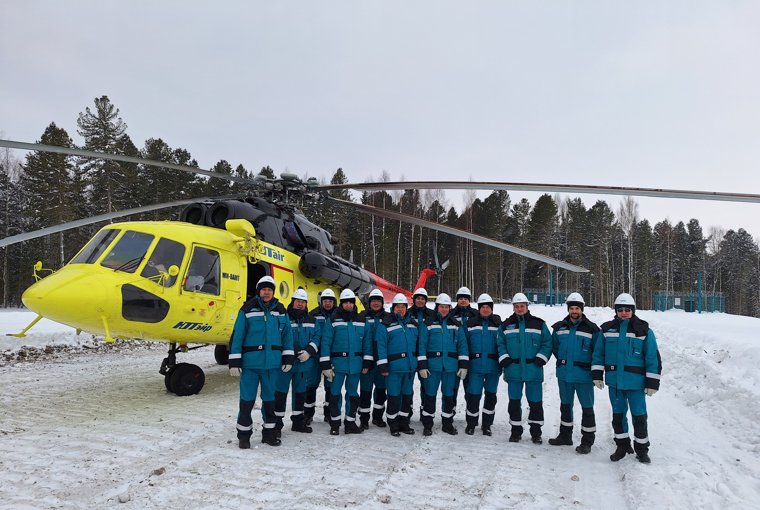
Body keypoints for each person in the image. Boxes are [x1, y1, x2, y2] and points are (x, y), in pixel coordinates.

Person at [592, 293, 662, 464]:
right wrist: (597, 374)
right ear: (616, 311)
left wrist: (652, 381)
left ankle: (642, 449)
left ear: (633, 311)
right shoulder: (607, 330)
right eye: (620, 310)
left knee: (639, 417)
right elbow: (598, 354)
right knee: (618, 416)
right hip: (615, 383)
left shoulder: (644, 331)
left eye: (627, 310)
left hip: (636, 384)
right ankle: (622, 445)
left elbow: (652, 357)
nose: (624, 313)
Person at [229, 275, 294, 448]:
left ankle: (270, 434)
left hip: (272, 366)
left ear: (273, 292)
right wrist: (235, 361)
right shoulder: (248, 309)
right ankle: (244, 436)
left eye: (269, 290)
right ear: (259, 291)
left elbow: (287, 335)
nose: (267, 292)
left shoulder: (281, 310)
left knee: (270, 401)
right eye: (264, 289)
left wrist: (288, 357)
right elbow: (238, 335)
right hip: (251, 365)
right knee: (247, 401)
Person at [497, 292, 552, 444]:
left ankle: (536, 432)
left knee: (535, 403)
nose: (520, 309)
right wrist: (504, 358)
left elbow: (547, 343)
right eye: (517, 306)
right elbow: (500, 343)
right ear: (513, 308)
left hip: (533, 369)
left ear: (527, 306)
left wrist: (541, 358)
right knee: (514, 402)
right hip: (513, 370)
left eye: (522, 306)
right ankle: (515, 431)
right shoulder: (506, 325)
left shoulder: (539, 324)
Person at [548, 293, 600, 454]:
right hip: (564, 375)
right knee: (565, 406)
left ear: (581, 309)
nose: (574, 311)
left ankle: (587, 440)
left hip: (584, 375)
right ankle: (565, 436)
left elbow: (597, 351)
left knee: (587, 408)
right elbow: (555, 348)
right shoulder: (559, 328)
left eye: (577, 308)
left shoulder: (592, 329)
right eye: (572, 308)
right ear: (568, 309)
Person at [320, 289, 371, 435]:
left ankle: (350, 422)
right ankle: (335, 423)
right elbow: (326, 343)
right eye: (345, 303)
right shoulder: (334, 320)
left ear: (354, 304)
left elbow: (367, 344)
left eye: (351, 302)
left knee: (353, 395)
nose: (348, 305)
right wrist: (325, 365)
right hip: (337, 365)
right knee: (335, 394)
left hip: (355, 365)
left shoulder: (362, 320)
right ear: (341, 304)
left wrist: (367, 363)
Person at [417, 293, 468, 435]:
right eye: (441, 307)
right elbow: (422, 345)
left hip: (451, 367)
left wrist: (463, 365)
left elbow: (462, 346)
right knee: (430, 395)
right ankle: (428, 424)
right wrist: (422, 365)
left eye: (446, 307)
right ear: (437, 307)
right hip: (432, 367)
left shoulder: (456, 325)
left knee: (448, 395)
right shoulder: (428, 323)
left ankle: (447, 423)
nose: (444, 309)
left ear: (450, 308)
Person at [274, 288, 320, 435]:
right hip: (286, 363)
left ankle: (298, 422)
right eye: (298, 301)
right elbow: (278, 335)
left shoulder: (312, 320)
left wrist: (309, 351)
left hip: (303, 365)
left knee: (300, 393)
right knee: (280, 393)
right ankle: (276, 424)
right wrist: (291, 352)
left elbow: (317, 337)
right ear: (292, 302)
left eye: (303, 302)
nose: (300, 304)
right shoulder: (284, 317)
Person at [376, 293, 423, 437]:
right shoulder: (385, 324)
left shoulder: (413, 324)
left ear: (407, 308)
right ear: (393, 307)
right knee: (394, 396)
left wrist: (419, 363)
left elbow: (419, 344)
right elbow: (381, 346)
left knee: (407, 397)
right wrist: (383, 365)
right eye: (398, 307)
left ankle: (404, 423)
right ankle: (393, 424)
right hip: (393, 369)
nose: (400, 309)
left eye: (403, 307)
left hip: (409, 368)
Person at [463, 293, 502, 436]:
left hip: (493, 368)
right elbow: (464, 344)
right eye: (483, 307)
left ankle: (487, 425)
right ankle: (471, 423)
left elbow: (503, 345)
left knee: (491, 397)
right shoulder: (470, 324)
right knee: (473, 396)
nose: (485, 309)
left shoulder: (498, 324)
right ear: (478, 308)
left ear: (491, 308)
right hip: (475, 367)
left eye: (488, 307)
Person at [305, 288, 338, 425]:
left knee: (330, 385)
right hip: (315, 355)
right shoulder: (313, 314)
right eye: (325, 301)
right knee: (311, 385)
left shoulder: (338, 315)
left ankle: (328, 413)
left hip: (331, 356)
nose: (328, 303)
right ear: (321, 302)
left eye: (330, 301)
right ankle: (308, 413)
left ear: (334, 302)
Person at [358, 289, 390, 429]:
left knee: (381, 391)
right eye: (373, 301)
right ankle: (364, 419)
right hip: (367, 361)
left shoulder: (389, 317)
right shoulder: (362, 316)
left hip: (382, 361)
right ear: (369, 303)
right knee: (365, 391)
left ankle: (377, 417)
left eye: (378, 301)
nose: (376, 303)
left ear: (382, 303)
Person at [409, 288, 434, 421]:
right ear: (414, 300)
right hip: (410, 355)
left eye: (422, 298)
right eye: (418, 298)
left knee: (426, 386)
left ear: (426, 300)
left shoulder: (431, 315)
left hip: (425, 356)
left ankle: (425, 413)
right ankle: (406, 412)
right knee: (407, 387)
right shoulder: (407, 313)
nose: (420, 300)